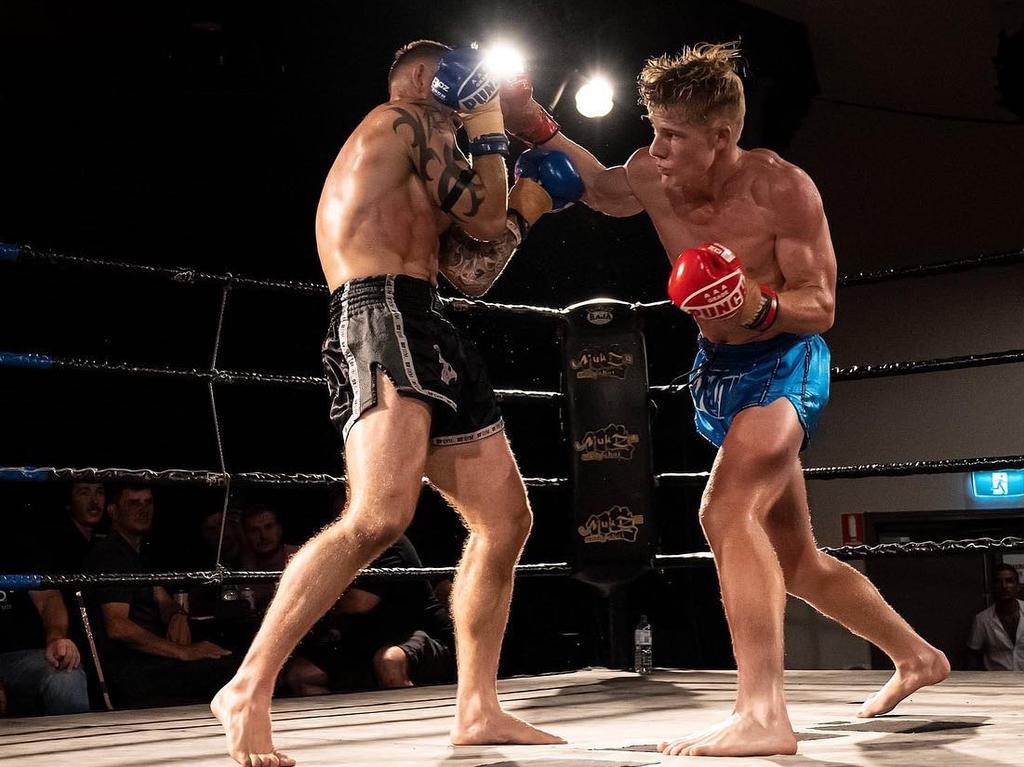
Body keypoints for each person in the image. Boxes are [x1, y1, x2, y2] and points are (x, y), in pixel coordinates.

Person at [505, 41, 949, 756]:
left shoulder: (783, 190)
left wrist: (757, 304)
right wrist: (533, 123)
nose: (656, 148)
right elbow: (602, 189)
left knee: (723, 509)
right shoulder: (653, 172)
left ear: (722, 137)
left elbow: (822, 303)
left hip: (785, 362)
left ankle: (764, 714)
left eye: (673, 135)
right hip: (717, 369)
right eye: (654, 130)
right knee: (798, 561)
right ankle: (918, 656)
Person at [212, 40, 580, 766]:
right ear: (422, 77)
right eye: (455, 84)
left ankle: (477, 707)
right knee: (378, 516)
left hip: (427, 317)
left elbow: (472, 269)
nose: (462, 98)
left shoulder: (425, 151)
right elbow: (479, 213)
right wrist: (488, 129)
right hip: (378, 313)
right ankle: (248, 686)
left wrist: (531, 206)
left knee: (506, 519)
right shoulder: (399, 123)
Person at [86, 483, 238, 707]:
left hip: (155, 661)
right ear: (113, 511)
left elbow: (162, 598)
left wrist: (176, 615)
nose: (143, 509)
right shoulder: (111, 555)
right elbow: (118, 627)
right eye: (134, 503)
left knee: (232, 657)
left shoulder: (137, 553)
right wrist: (183, 652)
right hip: (132, 670)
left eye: (148, 502)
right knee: (233, 668)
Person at [284, 534, 455, 695]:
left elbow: (358, 602)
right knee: (302, 675)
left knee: (390, 661)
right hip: (370, 640)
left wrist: (312, 589)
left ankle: (411, 724)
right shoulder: (341, 547)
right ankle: (349, 725)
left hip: (422, 633)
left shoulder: (386, 539)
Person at [0, 532, 90, 715]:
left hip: (20, 656)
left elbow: (48, 599)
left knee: (67, 674)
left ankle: (74, 742)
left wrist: (56, 638)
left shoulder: (16, 545)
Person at [967, 564, 1023, 671]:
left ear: (1017, 586)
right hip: (998, 682)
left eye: (1009, 581)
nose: (1004, 586)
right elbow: (972, 655)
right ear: (993, 587)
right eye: (999, 582)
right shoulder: (982, 620)